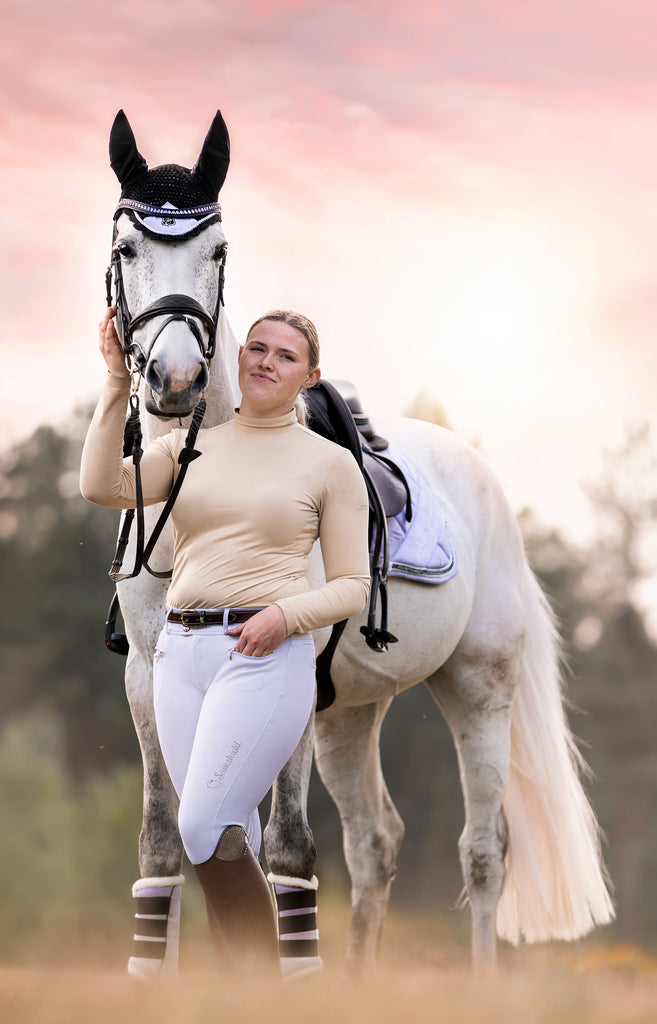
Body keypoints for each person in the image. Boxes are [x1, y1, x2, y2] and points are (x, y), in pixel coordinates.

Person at [80, 308, 370, 974]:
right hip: (179, 656)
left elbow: (352, 586)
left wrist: (285, 617)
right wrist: (109, 379)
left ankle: (267, 998)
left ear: (310, 376)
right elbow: (102, 486)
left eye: (285, 356)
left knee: (199, 827)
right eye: (257, 348)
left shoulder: (328, 465)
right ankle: (244, 997)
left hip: (261, 657)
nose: (265, 361)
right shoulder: (189, 444)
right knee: (223, 831)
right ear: (237, 357)